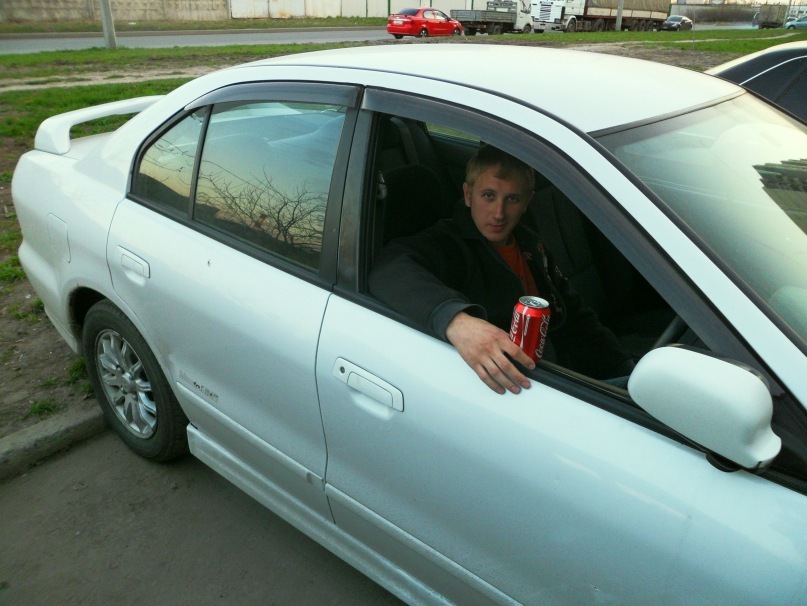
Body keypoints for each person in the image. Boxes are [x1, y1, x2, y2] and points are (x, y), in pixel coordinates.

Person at [369, 145, 634, 394]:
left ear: (527, 201)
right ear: (468, 194)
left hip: (562, 369)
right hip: (515, 384)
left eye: (512, 199)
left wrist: (621, 364)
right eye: (488, 196)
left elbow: (573, 310)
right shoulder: (447, 244)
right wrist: (457, 321)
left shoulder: (530, 243)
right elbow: (388, 268)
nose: (499, 213)